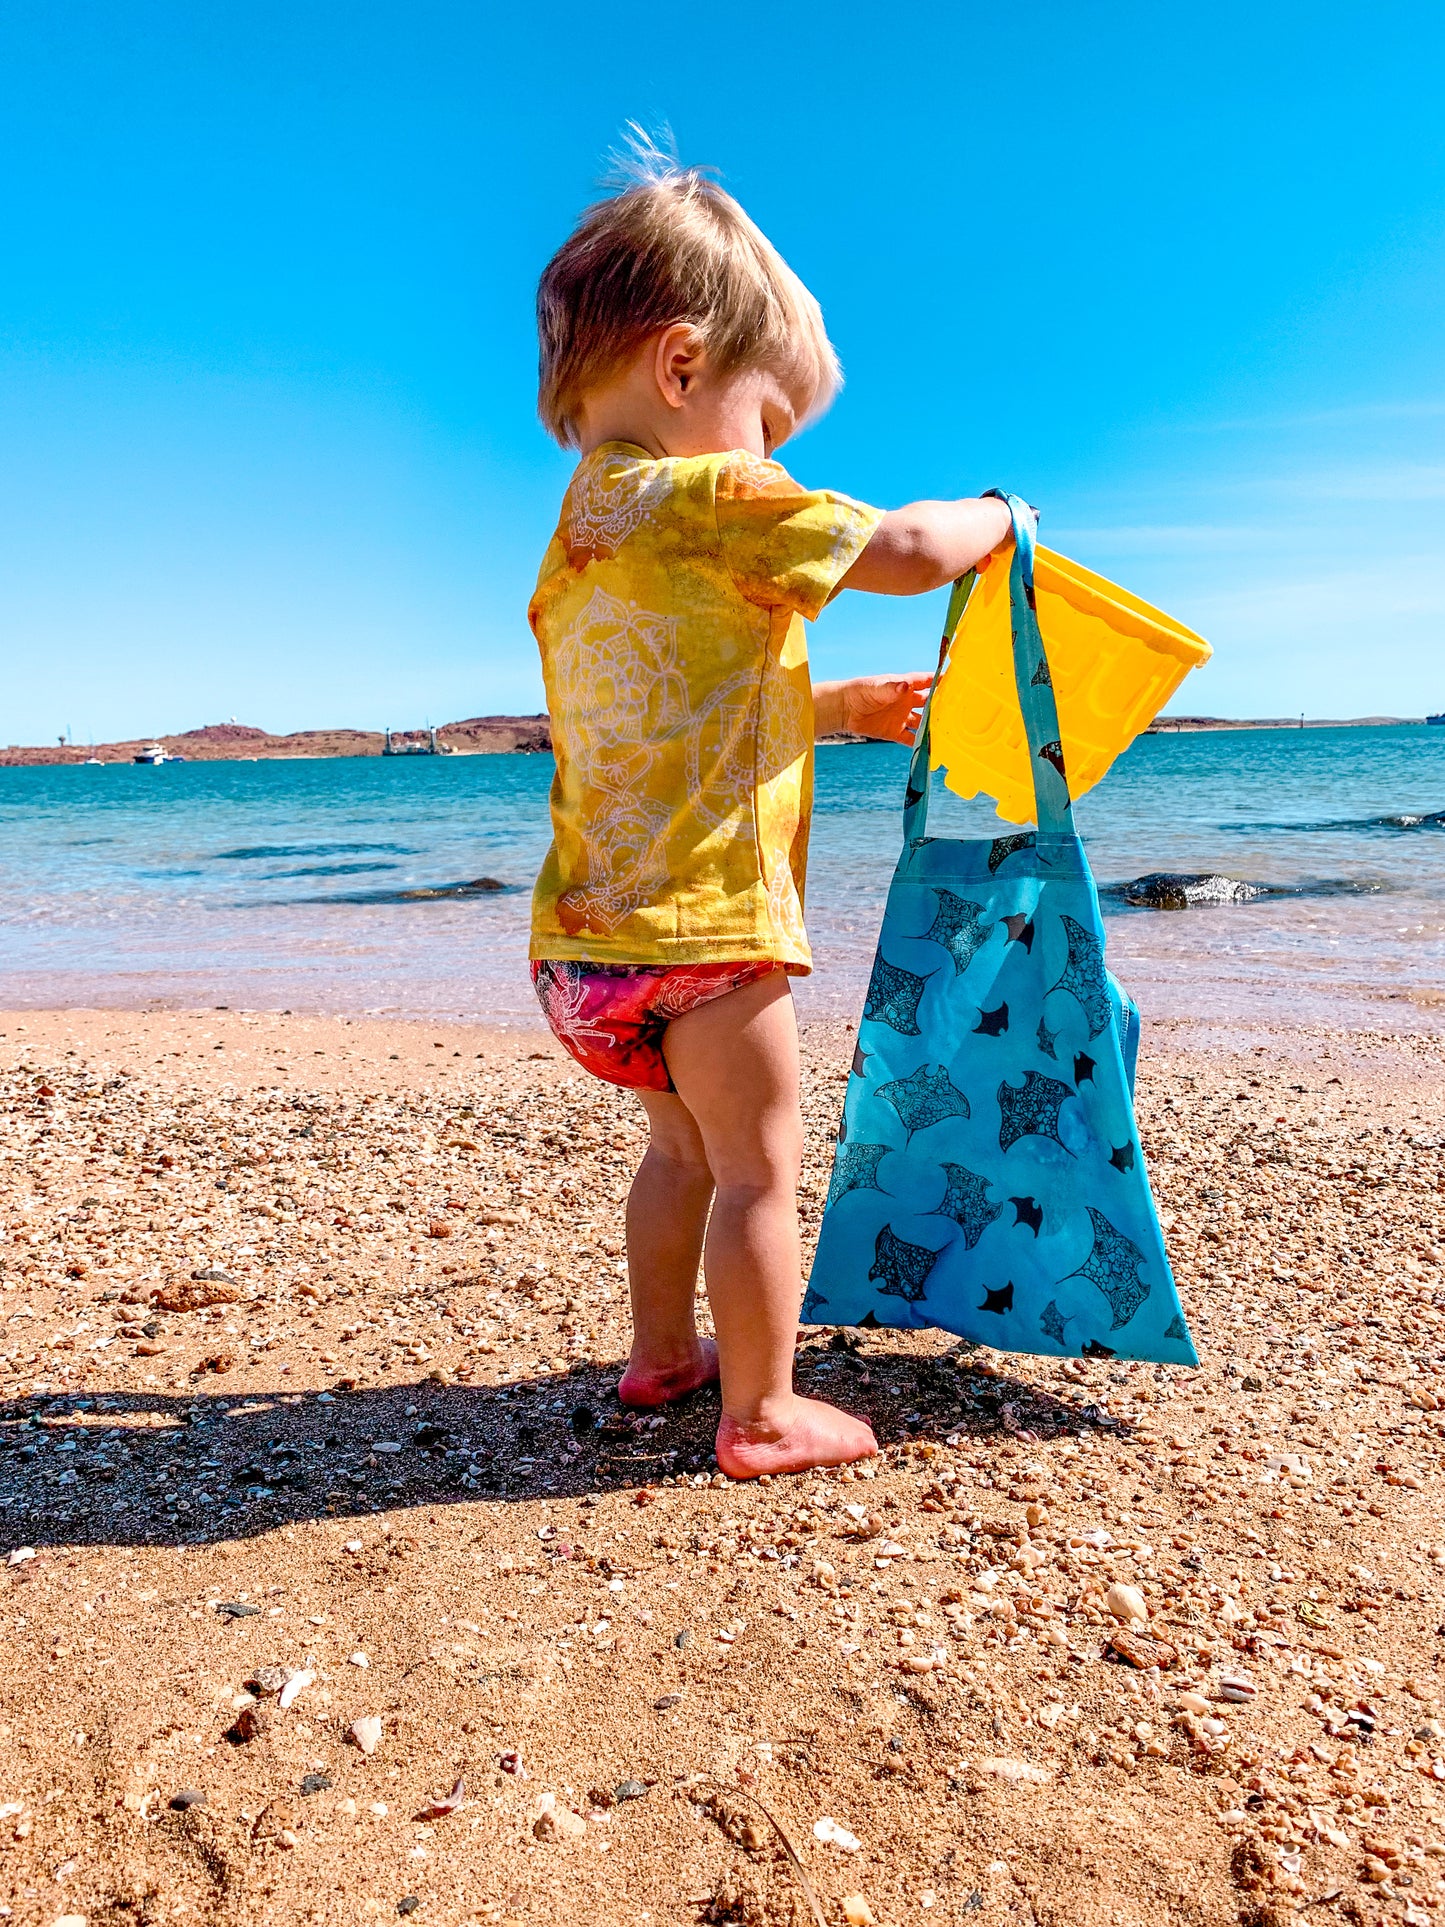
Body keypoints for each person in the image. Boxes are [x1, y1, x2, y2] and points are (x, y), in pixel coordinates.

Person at [528, 138, 1013, 1478]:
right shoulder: (719, 492)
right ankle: (759, 1414)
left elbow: (669, 715)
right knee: (756, 1173)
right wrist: (998, 514)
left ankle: (657, 1356)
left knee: (679, 1155)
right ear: (683, 368)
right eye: (771, 421)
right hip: (707, 936)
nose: (777, 460)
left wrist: (830, 710)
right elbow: (910, 554)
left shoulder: (581, 537)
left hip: (585, 950)